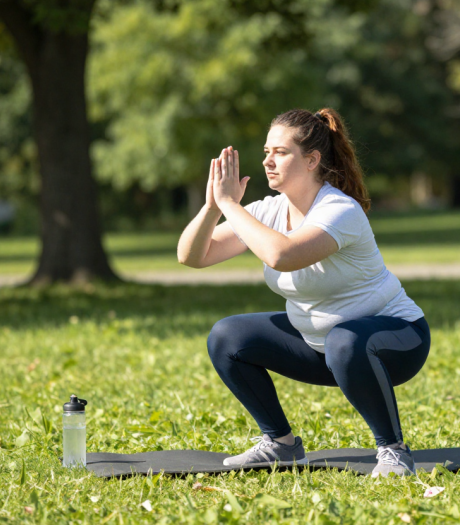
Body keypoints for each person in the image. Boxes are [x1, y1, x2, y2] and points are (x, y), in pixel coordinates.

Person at [177, 108, 430, 478]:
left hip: (394, 342)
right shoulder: (267, 211)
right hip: (322, 348)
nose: (268, 161)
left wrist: (231, 205)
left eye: (280, 152)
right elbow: (192, 256)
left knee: (344, 339)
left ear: (311, 160)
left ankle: (394, 450)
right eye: (266, 152)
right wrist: (213, 207)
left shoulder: (340, 209)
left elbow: (282, 256)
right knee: (227, 335)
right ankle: (280, 443)